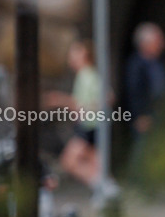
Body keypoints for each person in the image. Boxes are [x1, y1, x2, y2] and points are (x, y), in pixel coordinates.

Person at [45, 39, 118, 203]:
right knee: (98, 165)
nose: (71, 57)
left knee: (69, 161)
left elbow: (105, 98)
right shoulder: (86, 75)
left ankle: (103, 188)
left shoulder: (87, 75)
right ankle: (108, 194)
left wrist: (61, 100)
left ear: (84, 55)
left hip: (90, 126)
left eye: (75, 53)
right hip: (91, 126)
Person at [124, 22, 165, 139]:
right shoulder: (136, 65)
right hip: (144, 118)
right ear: (145, 44)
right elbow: (133, 91)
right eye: (158, 41)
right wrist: (139, 115)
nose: (162, 45)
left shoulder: (159, 63)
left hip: (159, 115)